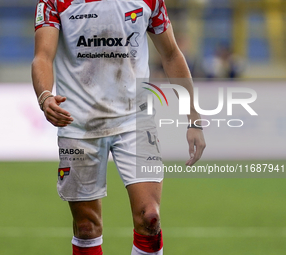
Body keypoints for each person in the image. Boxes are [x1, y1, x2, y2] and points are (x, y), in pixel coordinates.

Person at [31, 0, 206, 254]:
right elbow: (42, 56)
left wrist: (194, 119)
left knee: (150, 219)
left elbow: (171, 55)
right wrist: (45, 96)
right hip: (79, 125)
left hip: (136, 121)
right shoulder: (55, 2)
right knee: (86, 227)